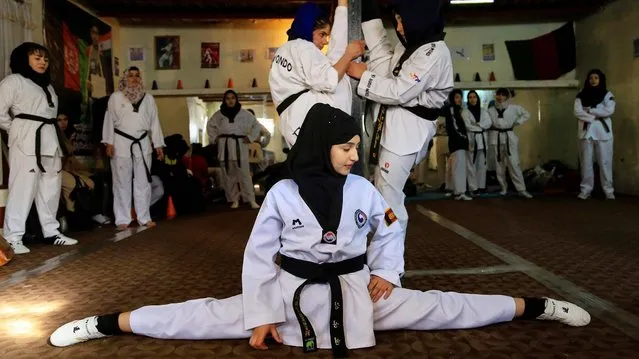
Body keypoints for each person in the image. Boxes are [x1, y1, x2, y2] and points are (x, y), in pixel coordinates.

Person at [49, 104, 590, 357]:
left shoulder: (365, 192)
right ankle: (107, 324)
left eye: (357, 147)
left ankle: (535, 306)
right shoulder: (282, 193)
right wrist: (260, 315)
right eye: (346, 148)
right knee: (206, 316)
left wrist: (387, 275)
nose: (356, 157)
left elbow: (390, 228)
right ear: (318, 148)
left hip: (360, 291)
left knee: (439, 307)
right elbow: (259, 259)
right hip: (290, 295)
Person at [346, 0, 453, 238]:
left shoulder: (434, 52)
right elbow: (383, 55)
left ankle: (391, 266)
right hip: (391, 128)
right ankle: (384, 254)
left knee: (388, 198)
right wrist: (369, 12)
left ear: (419, 19)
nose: (400, 27)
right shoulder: (410, 45)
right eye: (397, 21)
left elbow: (399, 91)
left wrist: (363, 77)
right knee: (382, 194)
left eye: (403, 21)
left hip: (408, 135)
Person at [0, 42, 78, 254]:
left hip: (50, 139)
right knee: (23, 188)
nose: (42, 62)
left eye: (44, 58)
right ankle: (13, 236)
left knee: (51, 187)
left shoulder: (48, 86)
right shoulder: (13, 81)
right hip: (27, 140)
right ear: (23, 59)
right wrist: (16, 129)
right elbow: (0, 112)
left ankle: (51, 232)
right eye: (37, 58)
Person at [269, 0, 365, 147]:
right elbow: (330, 80)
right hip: (308, 118)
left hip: (293, 122)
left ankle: (342, 7)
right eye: (322, 34)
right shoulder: (303, 47)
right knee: (338, 62)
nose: (325, 41)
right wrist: (349, 55)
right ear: (308, 28)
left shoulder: (284, 50)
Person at [102, 67, 165, 230]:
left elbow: (155, 122)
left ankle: (144, 217)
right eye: (130, 76)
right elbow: (109, 120)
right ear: (124, 79)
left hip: (143, 142)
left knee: (143, 182)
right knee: (121, 181)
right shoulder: (115, 97)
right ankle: (122, 218)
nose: (134, 79)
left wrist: (158, 144)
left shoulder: (148, 98)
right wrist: (109, 142)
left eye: (137, 76)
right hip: (121, 141)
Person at [206, 90, 261, 209]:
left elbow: (257, 126)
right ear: (224, 100)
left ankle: (250, 199)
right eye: (228, 98)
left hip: (240, 145)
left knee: (245, 175)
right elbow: (210, 126)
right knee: (229, 175)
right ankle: (234, 199)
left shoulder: (245, 114)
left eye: (232, 98)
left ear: (236, 99)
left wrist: (250, 138)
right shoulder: (218, 115)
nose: (230, 100)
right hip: (225, 146)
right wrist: (215, 138)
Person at [573, 69, 615, 200]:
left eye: (596, 78)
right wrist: (594, 115)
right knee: (586, 162)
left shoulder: (607, 95)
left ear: (600, 79)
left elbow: (609, 110)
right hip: (586, 132)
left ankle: (608, 191)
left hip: (603, 133)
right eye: (591, 78)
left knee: (605, 162)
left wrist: (590, 110)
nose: (593, 80)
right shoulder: (581, 96)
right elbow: (577, 111)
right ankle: (585, 190)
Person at [487, 88, 533, 198]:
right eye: (499, 94)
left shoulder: (514, 108)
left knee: (514, 163)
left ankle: (521, 189)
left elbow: (526, 114)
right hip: (496, 138)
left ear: (507, 97)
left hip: (509, 137)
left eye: (503, 95)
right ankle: (503, 187)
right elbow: (486, 123)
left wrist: (517, 122)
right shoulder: (491, 110)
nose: (500, 97)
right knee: (499, 165)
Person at [462, 90, 491, 195]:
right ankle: (473, 188)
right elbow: (467, 125)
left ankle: (481, 186)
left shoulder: (483, 111)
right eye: (470, 97)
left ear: (477, 98)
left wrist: (477, 124)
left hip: (482, 140)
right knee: (471, 165)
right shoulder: (465, 112)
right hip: (472, 140)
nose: (472, 99)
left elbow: (489, 123)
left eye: (474, 97)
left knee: (482, 165)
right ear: (468, 99)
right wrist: (480, 126)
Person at [444, 89, 471, 201]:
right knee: (459, 167)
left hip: (456, 141)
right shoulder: (452, 110)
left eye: (460, 97)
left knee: (452, 166)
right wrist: (464, 139)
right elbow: (454, 127)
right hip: (458, 142)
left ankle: (452, 189)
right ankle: (460, 192)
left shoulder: (457, 110)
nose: (459, 100)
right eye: (456, 97)